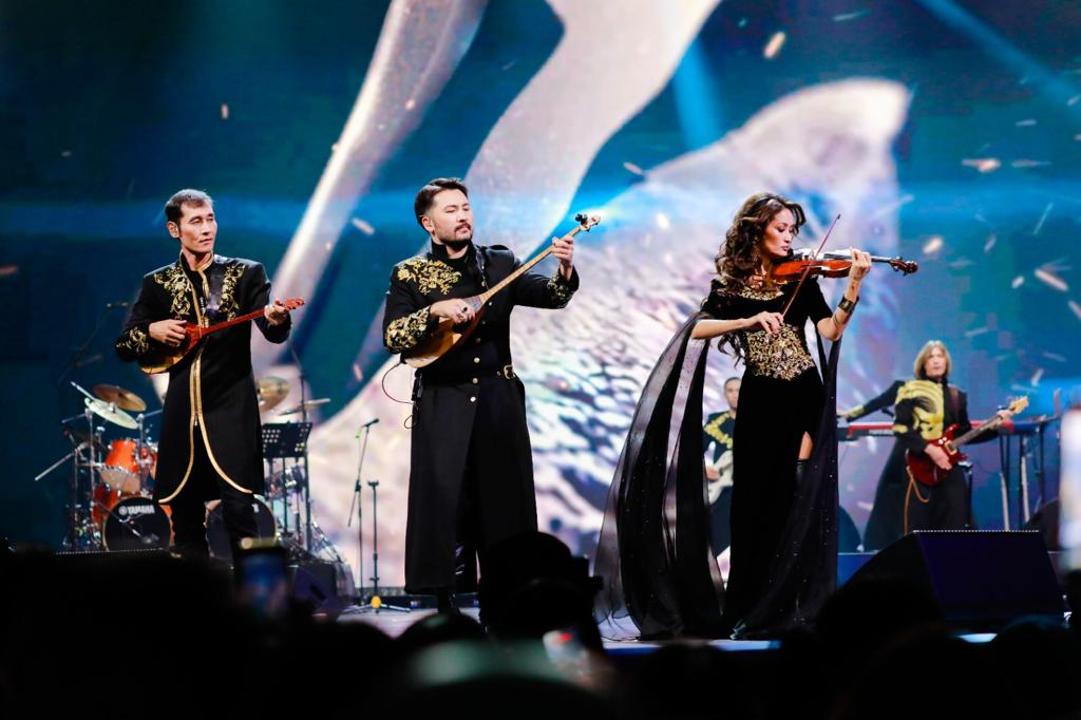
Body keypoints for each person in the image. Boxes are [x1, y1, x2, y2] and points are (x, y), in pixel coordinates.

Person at [594, 192, 870, 640]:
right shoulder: (730, 286)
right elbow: (697, 329)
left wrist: (853, 285)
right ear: (756, 231)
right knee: (755, 504)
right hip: (762, 399)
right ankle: (751, 605)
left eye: (793, 230)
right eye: (780, 229)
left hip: (805, 394)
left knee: (800, 495)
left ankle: (796, 603)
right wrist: (747, 321)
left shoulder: (803, 279)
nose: (789, 238)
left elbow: (830, 330)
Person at [382, 177, 579, 608]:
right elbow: (394, 336)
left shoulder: (500, 262)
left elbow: (552, 296)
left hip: (497, 399)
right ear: (428, 223)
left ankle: (506, 604)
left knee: (503, 502)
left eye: (466, 208)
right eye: (450, 210)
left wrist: (564, 268)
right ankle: (446, 607)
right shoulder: (409, 273)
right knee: (447, 504)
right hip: (443, 400)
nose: (463, 216)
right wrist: (433, 311)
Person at [114, 189, 293, 559]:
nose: (207, 228)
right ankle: (195, 595)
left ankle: (252, 594)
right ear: (174, 229)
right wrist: (152, 330)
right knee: (185, 523)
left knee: (241, 514)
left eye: (210, 219)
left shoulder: (245, 273)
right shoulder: (157, 284)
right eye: (196, 221)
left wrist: (277, 317)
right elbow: (125, 345)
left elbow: (273, 331)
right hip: (182, 417)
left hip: (231, 410)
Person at [843, 341, 1003, 549]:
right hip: (915, 463)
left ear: (947, 362)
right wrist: (847, 416)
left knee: (955, 518)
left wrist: (994, 427)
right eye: (931, 357)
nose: (936, 360)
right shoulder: (908, 388)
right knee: (916, 523)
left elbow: (963, 433)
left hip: (946, 465)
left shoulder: (957, 395)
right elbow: (887, 415)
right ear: (923, 363)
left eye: (940, 356)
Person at [703, 377, 740, 557]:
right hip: (721, 491)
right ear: (725, 394)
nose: (735, 395)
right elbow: (694, 449)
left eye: (739, 390)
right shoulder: (716, 421)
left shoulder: (760, 422)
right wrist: (703, 468)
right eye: (730, 390)